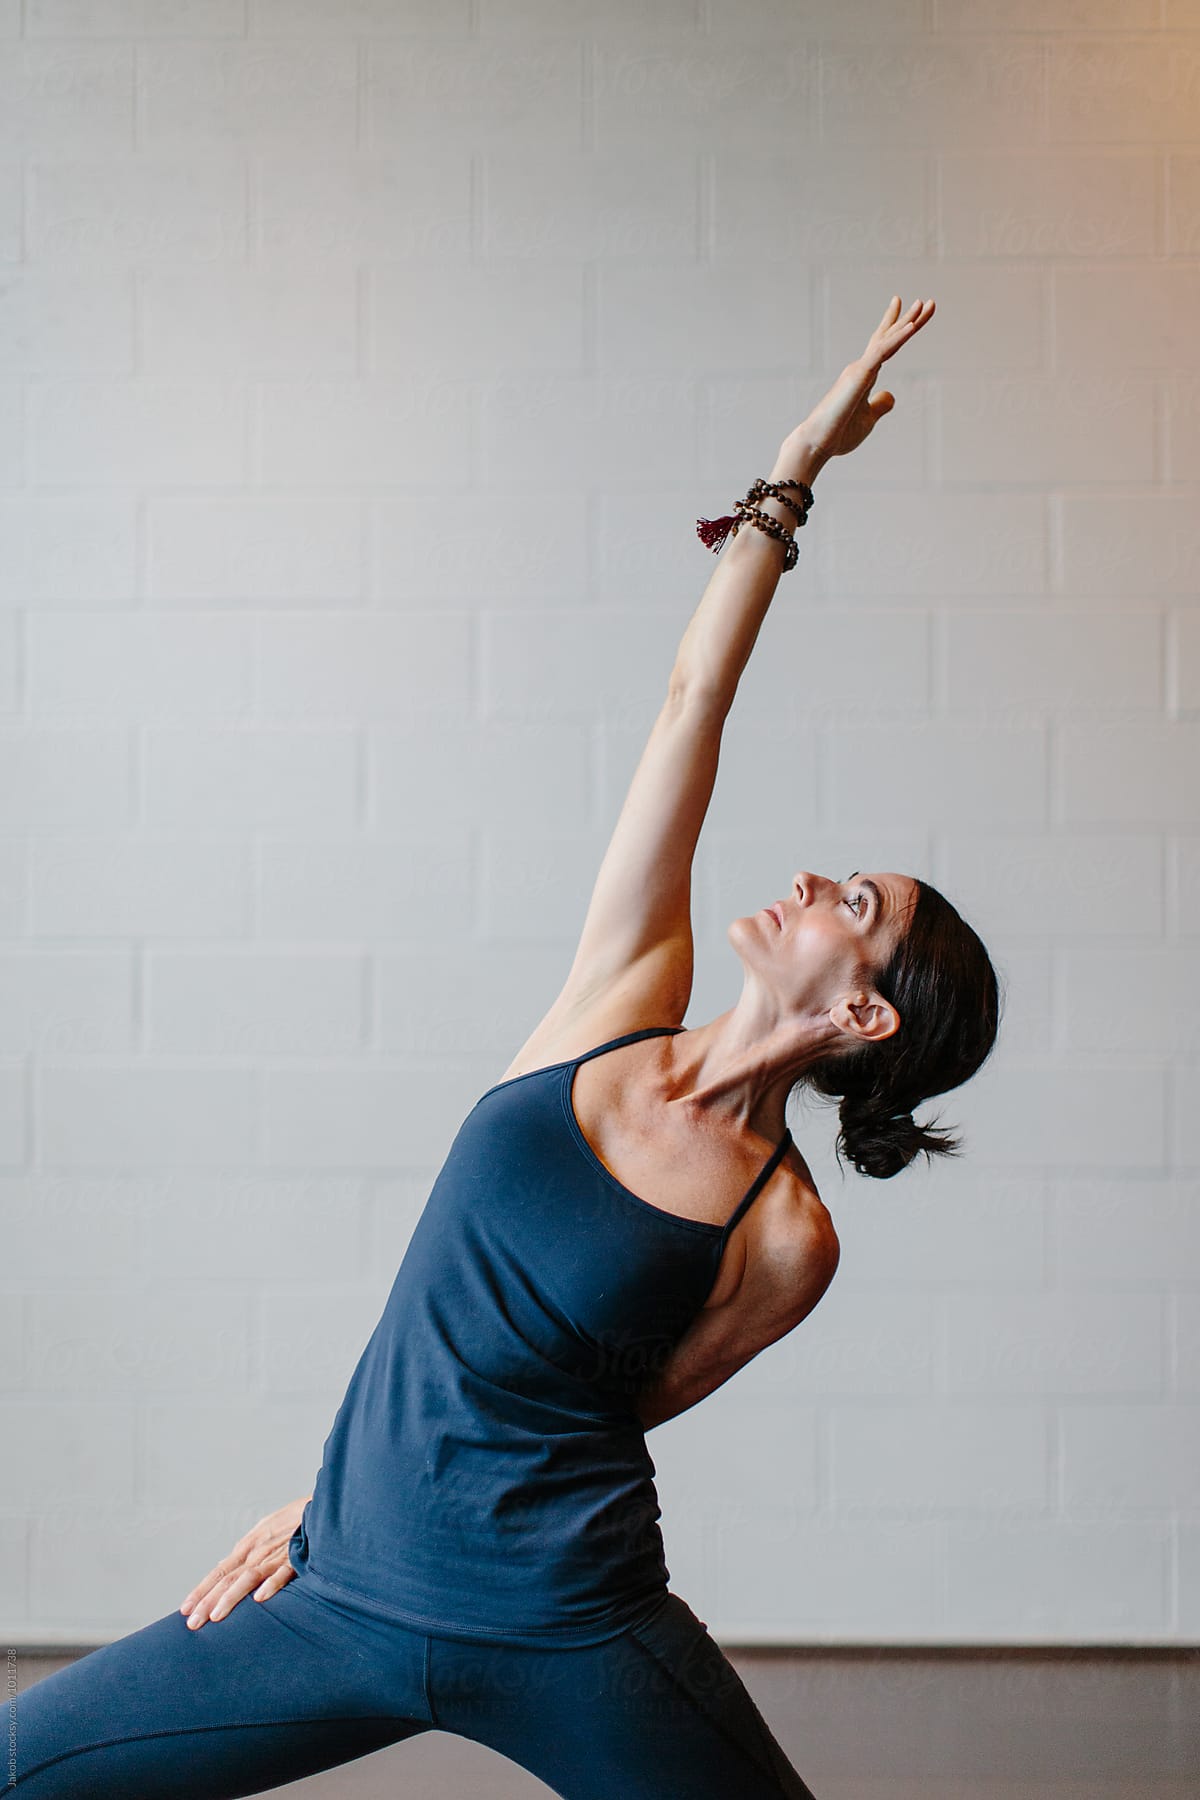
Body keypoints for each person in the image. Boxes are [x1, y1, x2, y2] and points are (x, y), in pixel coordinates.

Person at [10, 295, 1001, 1799]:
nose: (809, 880)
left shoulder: (785, 1234)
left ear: (865, 1013)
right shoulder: (618, 993)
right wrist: (797, 468)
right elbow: (694, 699)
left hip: (568, 1624)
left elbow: (608, 1406)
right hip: (338, 1592)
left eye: (850, 902)